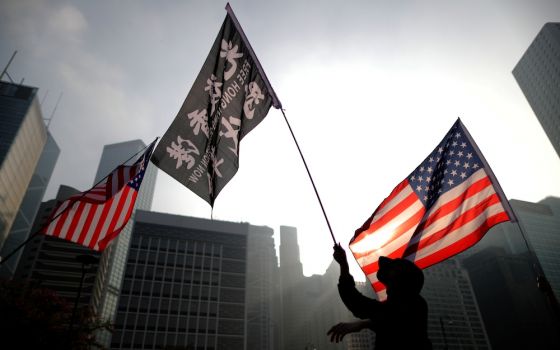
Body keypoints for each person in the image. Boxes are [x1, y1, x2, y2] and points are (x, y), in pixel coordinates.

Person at [327, 243, 432, 349]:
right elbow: (387, 320)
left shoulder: (414, 304)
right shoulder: (407, 305)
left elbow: (364, 306)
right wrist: (364, 324)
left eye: (393, 269)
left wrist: (344, 265)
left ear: (404, 280)